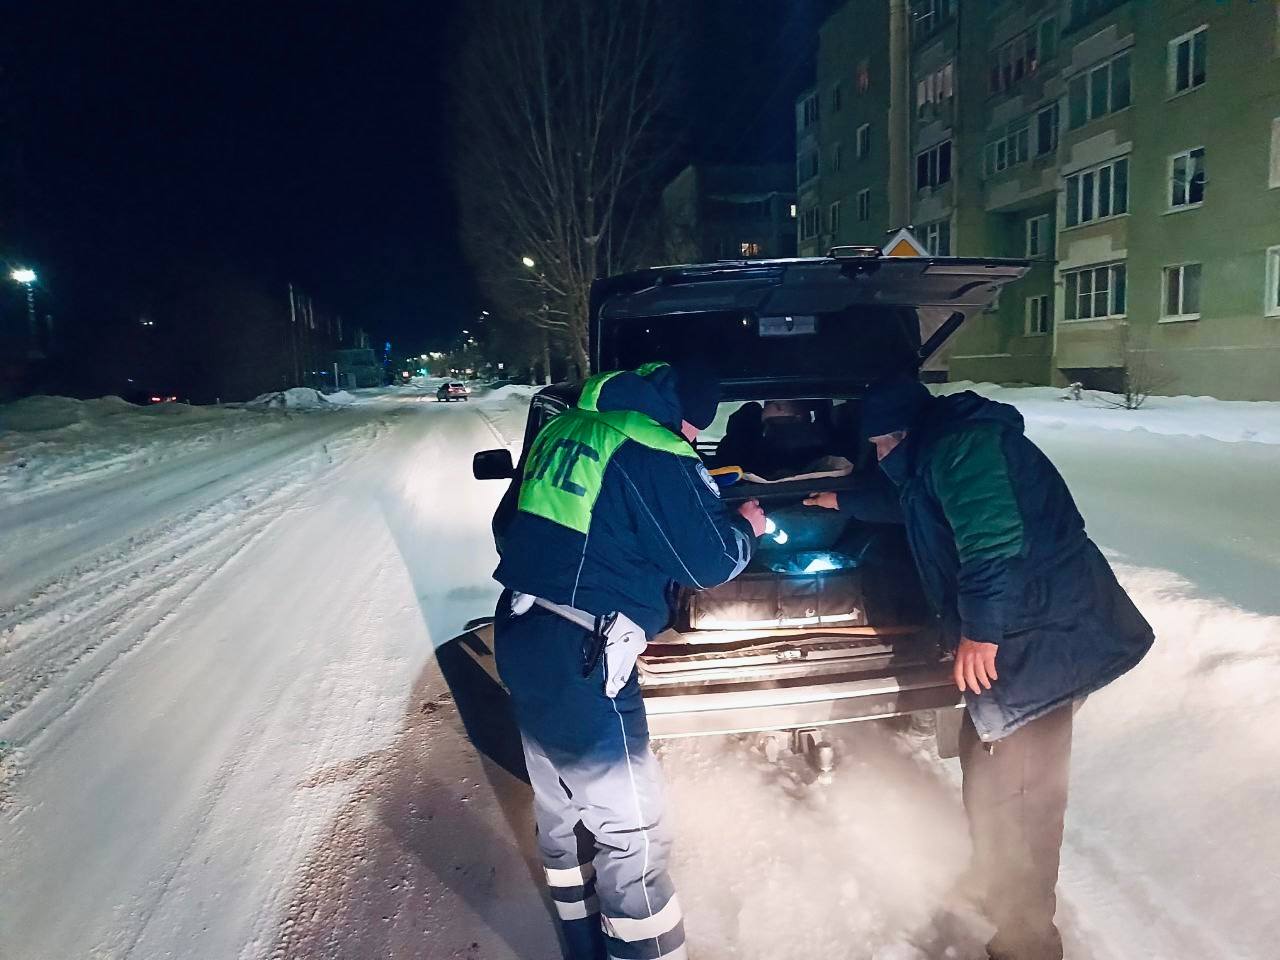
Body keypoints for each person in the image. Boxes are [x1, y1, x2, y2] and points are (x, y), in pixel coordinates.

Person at [805, 375, 1154, 960]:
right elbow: (910, 500)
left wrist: (981, 633)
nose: (880, 458)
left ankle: (1026, 940)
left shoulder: (965, 449)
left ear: (894, 434)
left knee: (1022, 799)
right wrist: (841, 498)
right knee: (986, 765)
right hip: (1027, 635)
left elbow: (991, 542)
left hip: (1040, 639)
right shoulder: (936, 455)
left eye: (880, 447)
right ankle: (995, 884)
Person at [492, 361, 766, 960]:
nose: (693, 441)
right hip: (583, 654)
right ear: (687, 418)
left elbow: (506, 525)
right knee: (634, 838)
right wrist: (747, 525)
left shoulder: (568, 428)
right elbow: (709, 563)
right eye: (696, 430)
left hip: (521, 631)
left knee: (561, 816)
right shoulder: (655, 446)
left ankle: (582, 947)